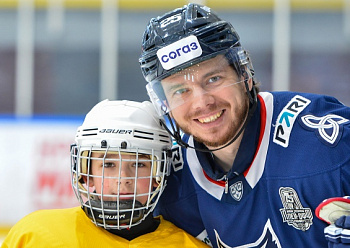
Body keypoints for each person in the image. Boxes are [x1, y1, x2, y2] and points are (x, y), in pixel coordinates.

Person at [138, 3, 350, 248]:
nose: (202, 102)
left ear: (244, 74)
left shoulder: (326, 147)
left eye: (214, 79)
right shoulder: (171, 181)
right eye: (181, 91)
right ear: (164, 103)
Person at [1, 100, 209, 248]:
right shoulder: (35, 235)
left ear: (159, 173)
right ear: (86, 172)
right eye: (108, 164)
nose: (123, 179)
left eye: (138, 165)